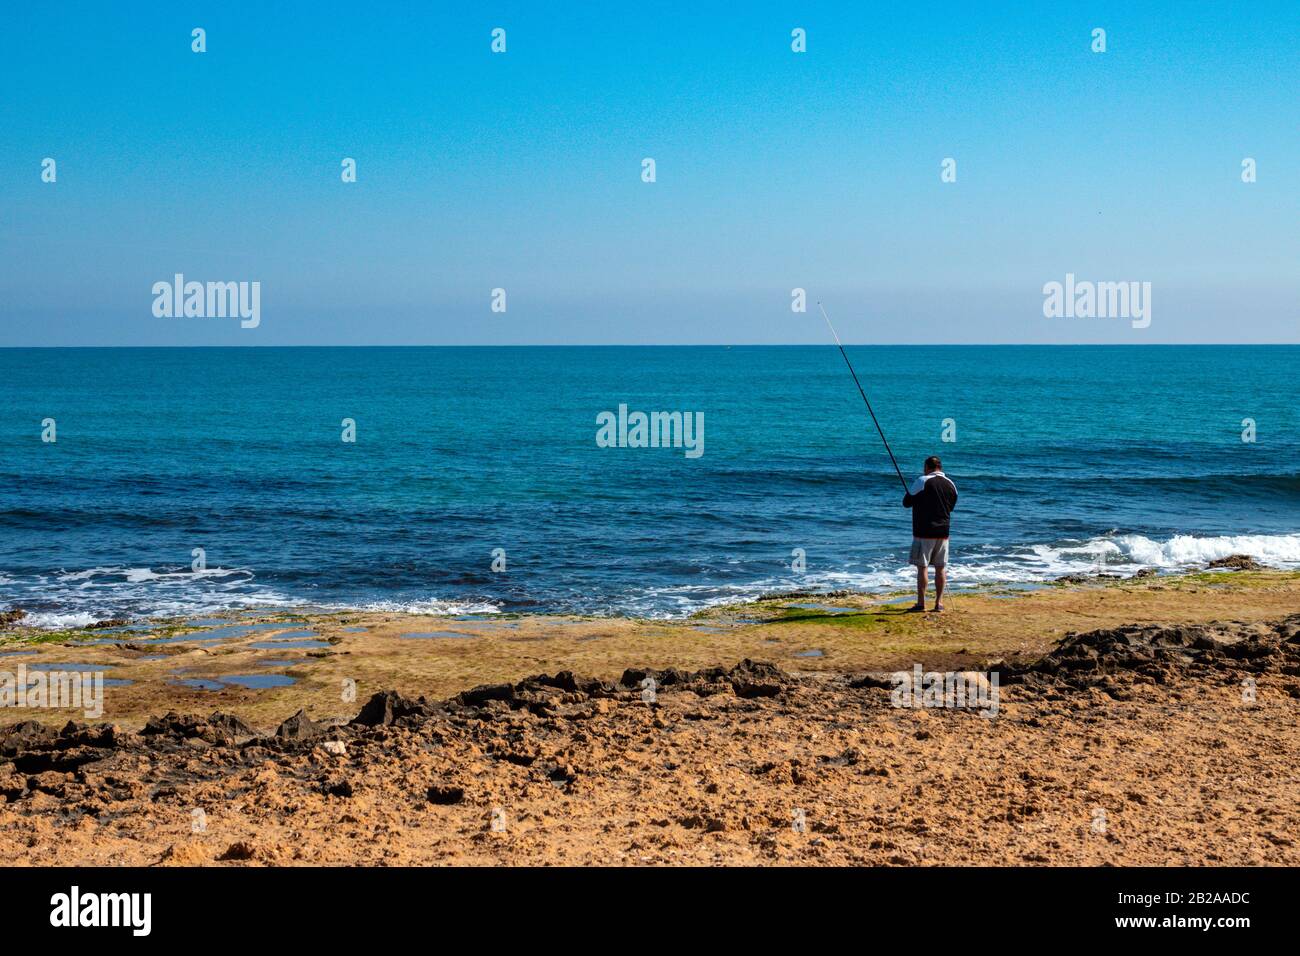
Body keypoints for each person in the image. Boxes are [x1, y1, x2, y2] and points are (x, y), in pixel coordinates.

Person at [902, 455, 958, 612]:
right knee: (941, 568)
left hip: (924, 531)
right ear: (940, 467)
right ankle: (939, 603)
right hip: (944, 532)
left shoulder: (922, 480)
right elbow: (951, 506)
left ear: (927, 467)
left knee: (923, 567)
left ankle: (921, 604)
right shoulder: (951, 484)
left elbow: (906, 502)